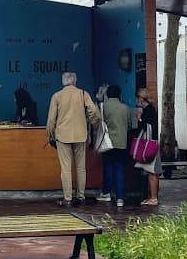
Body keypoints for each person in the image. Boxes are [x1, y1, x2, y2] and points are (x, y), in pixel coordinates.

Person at [46, 72, 100, 207]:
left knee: (66, 169)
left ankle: (68, 199)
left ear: (63, 82)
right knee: (81, 168)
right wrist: (92, 122)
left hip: (63, 136)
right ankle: (81, 197)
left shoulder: (57, 96)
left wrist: (50, 134)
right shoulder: (83, 94)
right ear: (75, 82)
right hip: (81, 135)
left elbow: (51, 119)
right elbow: (94, 112)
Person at [99, 85, 131, 208]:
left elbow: (99, 123)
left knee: (108, 167)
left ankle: (106, 193)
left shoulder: (104, 107)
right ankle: (120, 198)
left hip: (108, 142)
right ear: (119, 94)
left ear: (107, 94)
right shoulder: (125, 108)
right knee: (119, 169)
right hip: (121, 143)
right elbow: (129, 125)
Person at [134, 87, 161, 207]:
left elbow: (145, 126)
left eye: (137, 98)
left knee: (152, 172)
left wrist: (139, 118)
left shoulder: (148, 110)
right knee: (152, 172)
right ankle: (152, 197)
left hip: (150, 144)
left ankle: (154, 198)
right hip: (152, 143)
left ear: (140, 98)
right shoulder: (151, 109)